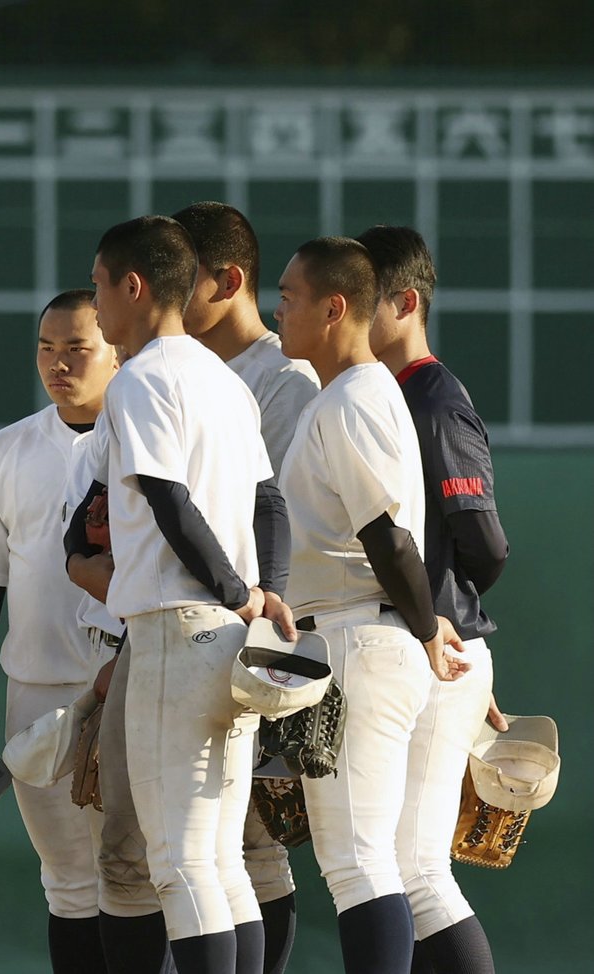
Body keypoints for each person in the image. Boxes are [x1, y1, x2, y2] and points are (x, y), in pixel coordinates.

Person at [65, 215, 288, 974]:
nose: (96, 303)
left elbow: (167, 497)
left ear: (133, 286)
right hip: (233, 638)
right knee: (222, 861)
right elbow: (269, 503)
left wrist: (237, 589)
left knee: (180, 862)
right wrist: (265, 593)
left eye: (99, 286)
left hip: (176, 630)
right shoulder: (226, 380)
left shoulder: (139, 378)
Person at [271, 235, 470, 974]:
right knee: (373, 861)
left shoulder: (354, 395)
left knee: (359, 863)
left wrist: (426, 628)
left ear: (334, 308)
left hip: (359, 636)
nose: (278, 310)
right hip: (360, 634)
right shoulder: (354, 392)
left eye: (289, 297)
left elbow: (387, 535)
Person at [0, 289, 119, 973]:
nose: (58, 363)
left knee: (139, 875)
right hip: (38, 693)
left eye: (77, 348)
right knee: (69, 883)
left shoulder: (148, 442)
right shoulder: (8, 449)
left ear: (116, 352)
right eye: (47, 348)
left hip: (130, 685)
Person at [173, 200, 321, 974]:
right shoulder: (177, 370)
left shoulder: (282, 378)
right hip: (188, 631)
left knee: (252, 849)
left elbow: (277, 522)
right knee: (192, 848)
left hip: (257, 636)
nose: (164, 293)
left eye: (182, 277)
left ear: (228, 281)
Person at [357, 225, 509, 974]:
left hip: (439, 650)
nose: (348, 313)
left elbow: (486, 544)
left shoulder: (434, 399)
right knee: (389, 867)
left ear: (406, 302)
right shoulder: (375, 393)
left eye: (364, 299)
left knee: (414, 869)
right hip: (412, 647)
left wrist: (455, 620)